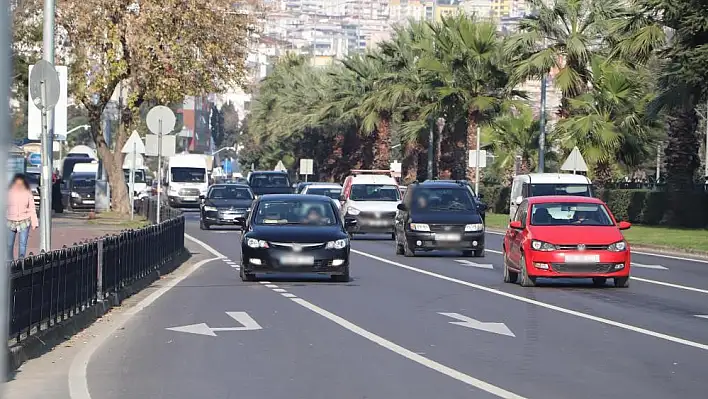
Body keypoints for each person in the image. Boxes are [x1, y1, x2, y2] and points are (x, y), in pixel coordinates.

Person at [7, 174, 39, 259]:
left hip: (24, 220)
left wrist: (34, 222)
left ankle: (21, 263)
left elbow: (32, 207)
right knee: (9, 244)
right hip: (10, 220)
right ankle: (10, 262)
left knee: (23, 244)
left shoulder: (27, 192)